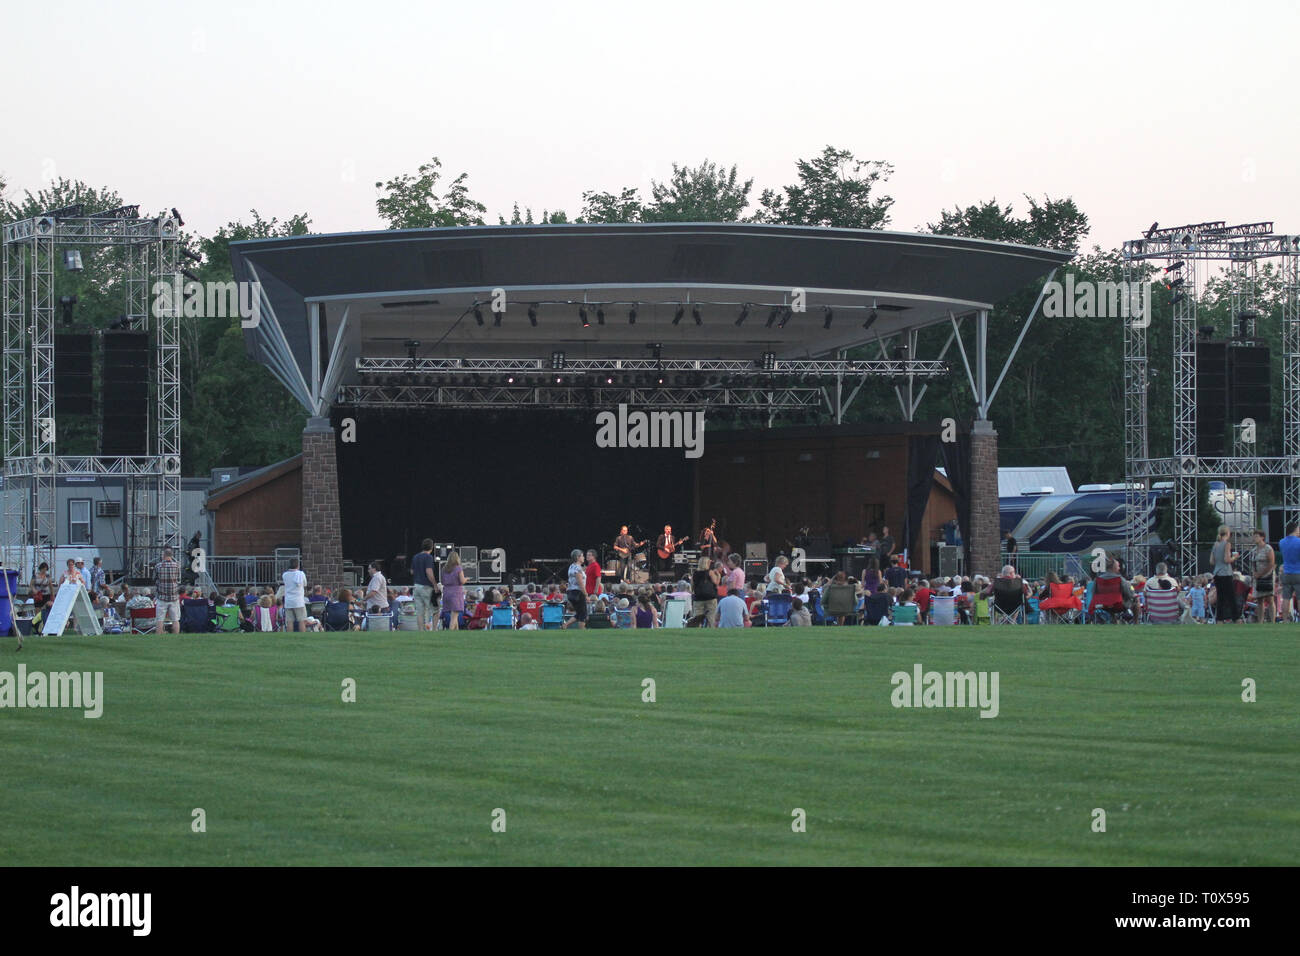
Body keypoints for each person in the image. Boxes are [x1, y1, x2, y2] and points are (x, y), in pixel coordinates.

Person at [1210, 525, 1240, 624]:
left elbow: (1212, 561)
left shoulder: (1215, 544)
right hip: (1226, 573)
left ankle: (1219, 619)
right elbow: (1227, 559)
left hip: (1217, 573)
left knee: (1221, 597)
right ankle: (1236, 618)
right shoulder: (1227, 544)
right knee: (1231, 596)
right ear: (1228, 533)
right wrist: (1234, 557)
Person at [409, 538, 438, 631]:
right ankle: (434, 630)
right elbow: (429, 571)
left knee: (420, 612)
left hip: (416, 586)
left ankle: (421, 631)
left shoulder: (415, 557)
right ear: (431, 547)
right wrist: (435, 585)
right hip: (426, 586)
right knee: (435, 610)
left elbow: (412, 571)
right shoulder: (428, 557)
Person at [1248, 529, 1276, 623]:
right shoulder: (1254, 550)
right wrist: (1255, 574)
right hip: (1257, 577)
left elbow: (1271, 563)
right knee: (1259, 599)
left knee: (1270, 598)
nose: (1254, 538)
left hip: (1267, 576)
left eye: (1256, 536)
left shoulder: (1268, 548)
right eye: (1254, 536)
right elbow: (1252, 563)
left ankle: (1272, 620)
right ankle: (1260, 620)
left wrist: (1261, 573)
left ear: (1262, 537)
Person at [154, 547, 181, 635]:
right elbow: (178, 579)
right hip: (174, 597)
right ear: (171, 555)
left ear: (164, 555)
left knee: (160, 620)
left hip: (162, 597)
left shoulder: (158, 566)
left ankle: (159, 637)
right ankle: (176, 637)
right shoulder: (177, 565)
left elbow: (154, 579)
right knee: (175, 620)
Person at [689, 555, 719, 627]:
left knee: (697, 616)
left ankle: (697, 628)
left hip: (698, 597)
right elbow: (716, 583)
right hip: (710, 597)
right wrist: (718, 576)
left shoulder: (695, 573)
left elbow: (692, 585)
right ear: (707, 563)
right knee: (711, 616)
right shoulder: (710, 572)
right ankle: (711, 629)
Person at [1279, 522, 1300, 622]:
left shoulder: (1282, 542)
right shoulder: (1298, 542)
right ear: (1295, 529)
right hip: (1298, 572)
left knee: (1286, 598)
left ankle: (1285, 619)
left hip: (1286, 572)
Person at [441, 551, 467, 630]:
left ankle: (456, 632)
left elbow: (442, 582)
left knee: (454, 615)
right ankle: (450, 632)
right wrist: (466, 579)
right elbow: (462, 581)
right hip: (456, 593)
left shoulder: (444, 569)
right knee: (454, 616)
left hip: (446, 592)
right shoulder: (458, 568)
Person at [282, 557, 307, 633]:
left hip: (288, 601)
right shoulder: (301, 574)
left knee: (289, 621)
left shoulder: (285, 575)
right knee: (301, 621)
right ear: (297, 565)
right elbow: (305, 584)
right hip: (299, 601)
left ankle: (290, 637)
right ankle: (303, 636)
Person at [566, 549, 587, 629]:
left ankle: (565, 625)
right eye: (582, 556)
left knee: (579, 612)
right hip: (578, 592)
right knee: (583, 614)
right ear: (578, 557)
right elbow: (580, 583)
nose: (583, 557)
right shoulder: (578, 568)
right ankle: (582, 630)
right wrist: (586, 594)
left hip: (571, 592)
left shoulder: (571, 566)